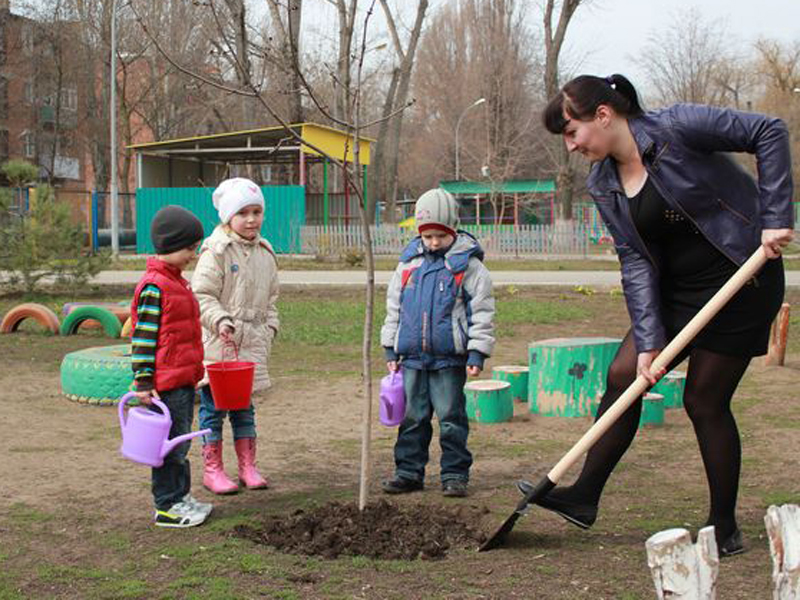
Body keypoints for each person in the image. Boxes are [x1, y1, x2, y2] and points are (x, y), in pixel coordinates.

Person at [518, 73, 794, 556]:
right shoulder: (603, 182)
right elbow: (636, 261)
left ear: (603, 115)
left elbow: (768, 131)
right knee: (625, 373)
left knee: (703, 401)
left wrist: (775, 216)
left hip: (741, 278)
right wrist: (649, 341)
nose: (570, 146)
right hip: (677, 292)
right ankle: (584, 495)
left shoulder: (678, 128)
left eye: (571, 132)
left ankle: (723, 525)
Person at [380, 188, 496, 498]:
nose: (433, 243)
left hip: (449, 361)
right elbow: (394, 308)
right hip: (413, 360)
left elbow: (482, 312)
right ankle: (408, 471)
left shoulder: (468, 268)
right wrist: (391, 346)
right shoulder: (408, 267)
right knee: (413, 418)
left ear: (453, 230)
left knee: (450, 419)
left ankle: (455, 474)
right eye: (427, 236)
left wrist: (477, 352)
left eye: (440, 236)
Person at [191, 177, 280, 495]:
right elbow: (201, 295)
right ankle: (212, 469)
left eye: (257, 211)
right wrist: (220, 321)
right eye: (243, 212)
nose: (252, 219)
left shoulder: (266, 254)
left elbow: (271, 300)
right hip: (219, 345)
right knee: (213, 409)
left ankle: (248, 466)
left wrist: (270, 330)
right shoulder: (216, 251)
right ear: (228, 216)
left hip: (252, 346)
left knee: (245, 409)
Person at [130, 205, 212, 528]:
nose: (194, 253)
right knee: (168, 447)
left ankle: (180, 496)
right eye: (190, 247)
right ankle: (167, 505)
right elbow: (143, 337)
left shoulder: (176, 282)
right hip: (165, 383)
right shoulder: (155, 286)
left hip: (181, 379)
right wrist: (143, 380)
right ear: (169, 245)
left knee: (181, 442)